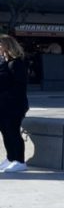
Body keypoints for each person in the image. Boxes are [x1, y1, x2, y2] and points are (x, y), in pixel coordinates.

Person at [0, 35, 30, 174]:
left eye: (1, 45)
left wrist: (6, 97)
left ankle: (20, 161)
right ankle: (11, 157)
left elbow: (19, 87)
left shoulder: (16, 64)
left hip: (13, 106)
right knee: (5, 132)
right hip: (3, 106)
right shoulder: (5, 63)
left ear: (8, 46)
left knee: (13, 132)